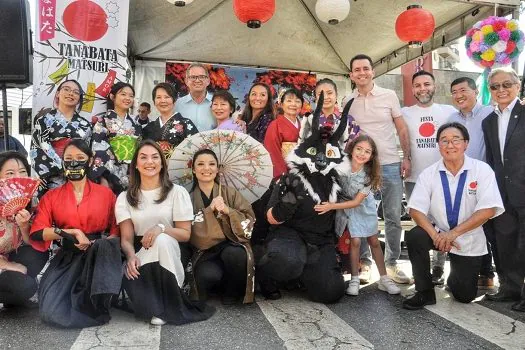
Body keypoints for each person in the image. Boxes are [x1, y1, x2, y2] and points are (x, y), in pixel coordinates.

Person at [403, 122, 504, 309]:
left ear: (466, 143)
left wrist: (453, 234)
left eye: (456, 140)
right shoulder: (429, 174)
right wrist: (437, 236)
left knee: (464, 295)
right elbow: (416, 209)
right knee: (415, 235)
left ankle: (454, 277)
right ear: (438, 145)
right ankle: (424, 292)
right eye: (444, 141)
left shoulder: (482, 170)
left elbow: (488, 209)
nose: (450, 145)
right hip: (438, 233)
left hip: (467, 237)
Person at [116, 140, 215, 325]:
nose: (149, 162)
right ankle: (156, 304)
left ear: (162, 163)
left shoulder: (177, 192)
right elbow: (127, 239)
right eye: (143, 158)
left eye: (155, 157)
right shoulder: (125, 197)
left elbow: (185, 234)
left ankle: (168, 302)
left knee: (161, 240)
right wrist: (130, 257)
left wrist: (161, 228)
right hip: (141, 255)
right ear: (136, 165)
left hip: (170, 249)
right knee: (148, 249)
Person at [30, 139, 122, 328]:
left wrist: (99, 247)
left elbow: (116, 231)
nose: (74, 162)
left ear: (90, 161)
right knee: (51, 310)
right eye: (69, 158)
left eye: (80, 158)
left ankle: (101, 296)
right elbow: (38, 231)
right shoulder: (51, 196)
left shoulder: (106, 194)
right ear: (63, 162)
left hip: (98, 256)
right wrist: (68, 232)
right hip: (68, 256)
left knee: (87, 304)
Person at [347, 54, 411, 285]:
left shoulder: (389, 95)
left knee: (393, 215)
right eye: (357, 69)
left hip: (391, 163)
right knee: (363, 215)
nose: (362, 73)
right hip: (363, 168)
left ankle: (392, 264)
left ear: (373, 71)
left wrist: (407, 158)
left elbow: (402, 129)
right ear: (352, 75)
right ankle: (365, 263)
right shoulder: (348, 99)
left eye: (366, 68)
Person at [314, 135, 400, 296]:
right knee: (354, 241)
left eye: (367, 151)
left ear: (372, 156)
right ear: (352, 149)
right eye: (359, 149)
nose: (362, 154)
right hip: (343, 208)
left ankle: (384, 278)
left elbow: (356, 202)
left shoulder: (369, 175)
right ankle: (354, 278)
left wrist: (332, 206)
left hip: (362, 208)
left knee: (373, 240)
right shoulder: (341, 165)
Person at [401, 71, 456, 286]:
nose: (422, 88)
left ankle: (439, 266)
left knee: (443, 221)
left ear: (434, 87)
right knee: (421, 227)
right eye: (417, 85)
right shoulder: (404, 112)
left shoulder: (449, 111)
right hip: (415, 178)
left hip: (444, 177)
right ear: (412, 89)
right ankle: (422, 269)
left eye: (426, 84)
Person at [482, 67, 525, 312]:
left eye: (506, 84)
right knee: (505, 243)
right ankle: (509, 289)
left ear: (517, 86)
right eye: (495, 86)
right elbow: (491, 159)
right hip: (501, 192)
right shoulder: (489, 121)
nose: (501, 90)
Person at [188, 149, 255, 304]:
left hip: (231, 245)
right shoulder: (187, 198)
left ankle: (231, 291)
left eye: (212, 164)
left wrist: (228, 210)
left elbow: (250, 219)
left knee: (235, 255)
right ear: (193, 169)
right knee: (206, 276)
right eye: (200, 164)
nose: (206, 168)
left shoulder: (230, 193)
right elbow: (187, 229)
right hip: (204, 251)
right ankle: (218, 282)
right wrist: (209, 211)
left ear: (217, 169)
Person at [449, 77, 496, 289]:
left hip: (488, 179)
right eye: (454, 92)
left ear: (475, 91)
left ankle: (489, 273)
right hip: (461, 180)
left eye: (463, 90)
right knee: (469, 226)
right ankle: (479, 274)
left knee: (491, 229)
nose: (458, 95)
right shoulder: (451, 118)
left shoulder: (490, 113)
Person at [0, 152, 49, 308]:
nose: (18, 176)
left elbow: (31, 241)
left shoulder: (30, 199)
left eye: (22, 172)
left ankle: (12, 295)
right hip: (4, 262)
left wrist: (23, 225)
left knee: (38, 252)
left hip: (10, 254)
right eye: (10, 173)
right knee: (24, 286)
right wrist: (10, 266)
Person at [31, 79, 93, 197]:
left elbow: (88, 153)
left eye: (75, 92)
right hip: (52, 178)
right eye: (66, 89)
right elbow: (38, 149)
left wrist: (75, 169)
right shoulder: (43, 120)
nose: (71, 93)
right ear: (58, 93)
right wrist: (64, 166)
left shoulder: (85, 125)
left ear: (79, 98)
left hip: (78, 177)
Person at [91, 82, 142, 194]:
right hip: (110, 175)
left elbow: (139, 150)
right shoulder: (102, 121)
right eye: (123, 94)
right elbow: (98, 149)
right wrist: (104, 177)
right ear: (112, 96)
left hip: (132, 174)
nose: (127, 98)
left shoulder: (136, 125)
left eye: (131, 95)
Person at [143, 82, 198, 159]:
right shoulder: (148, 127)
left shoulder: (186, 124)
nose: (163, 100)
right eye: (158, 97)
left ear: (174, 100)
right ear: (154, 102)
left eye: (167, 97)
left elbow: (195, 151)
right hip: (153, 168)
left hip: (178, 169)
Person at [264, 88, 303, 179]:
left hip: (301, 173)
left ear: (301, 105)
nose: (293, 104)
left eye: (297, 101)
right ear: (281, 104)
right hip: (283, 173)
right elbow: (272, 152)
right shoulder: (275, 125)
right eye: (289, 101)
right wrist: (283, 176)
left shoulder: (304, 126)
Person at [315, 78, 359, 143]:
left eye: (329, 93)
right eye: (320, 94)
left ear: (336, 95)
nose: (325, 97)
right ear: (316, 97)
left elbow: (356, 146)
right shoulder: (310, 119)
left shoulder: (349, 120)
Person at [175, 63, 215, 131]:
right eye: (193, 77)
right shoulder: (177, 104)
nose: (197, 80)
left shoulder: (217, 103)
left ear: (208, 80)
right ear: (186, 81)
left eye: (202, 77)